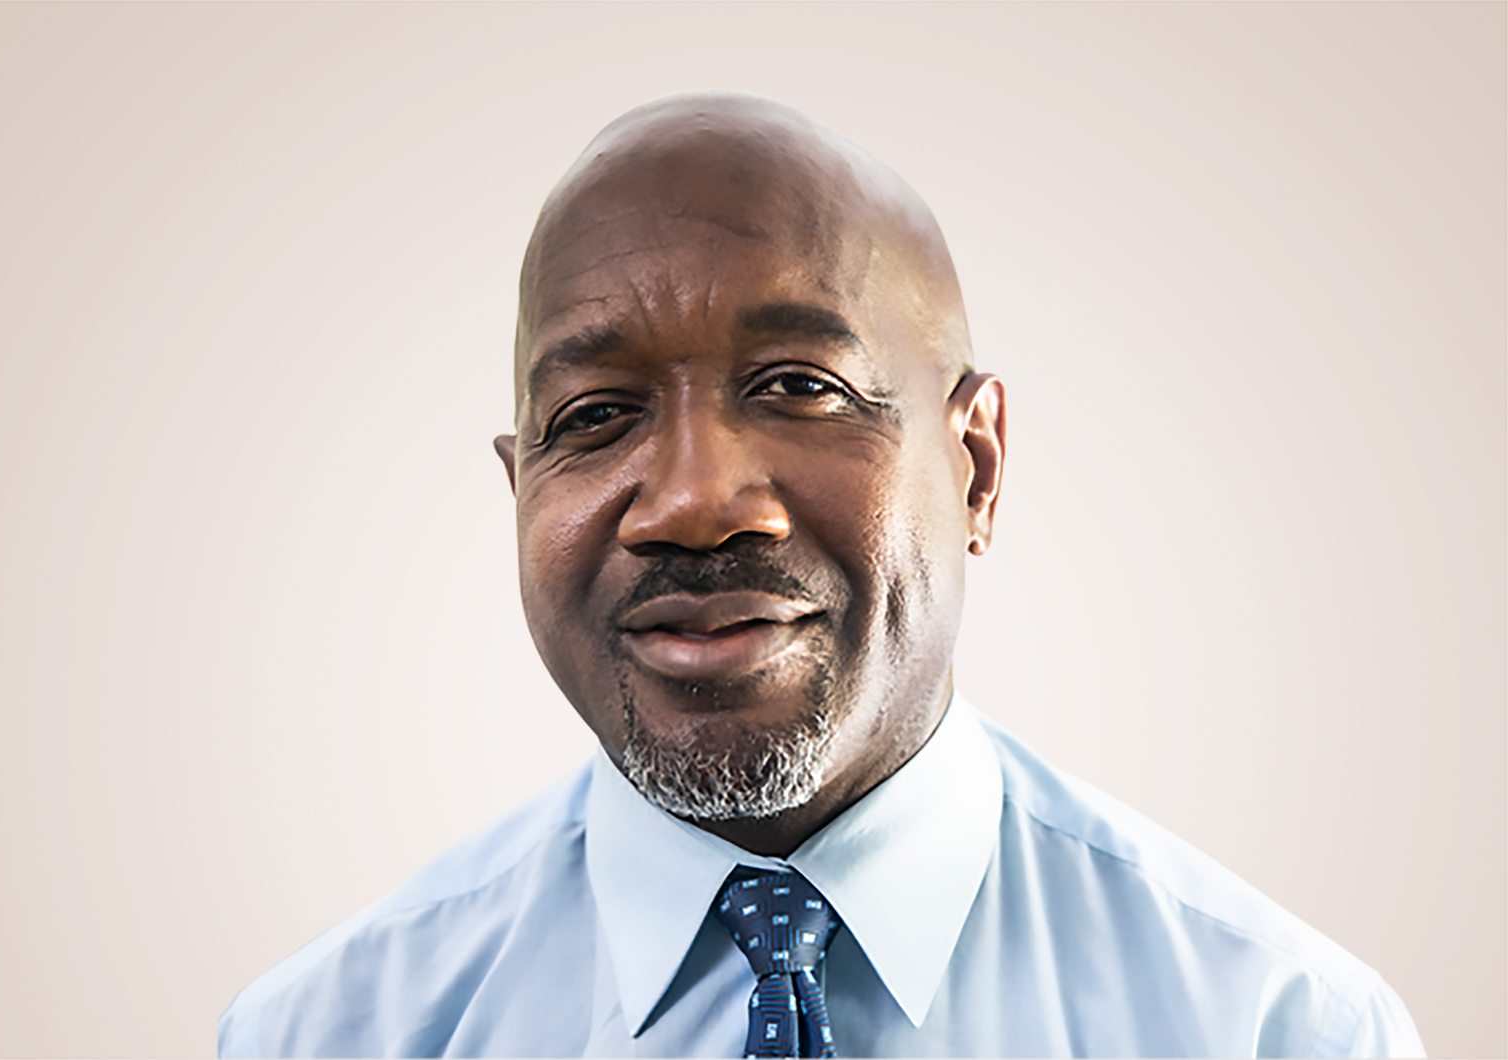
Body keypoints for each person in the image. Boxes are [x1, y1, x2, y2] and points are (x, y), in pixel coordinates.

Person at [216, 91, 1421, 1058]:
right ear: (519, 488)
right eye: (594, 415)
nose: (693, 499)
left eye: (801, 386)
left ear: (978, 470)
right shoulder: (326, 1036)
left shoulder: (1275, 1027)